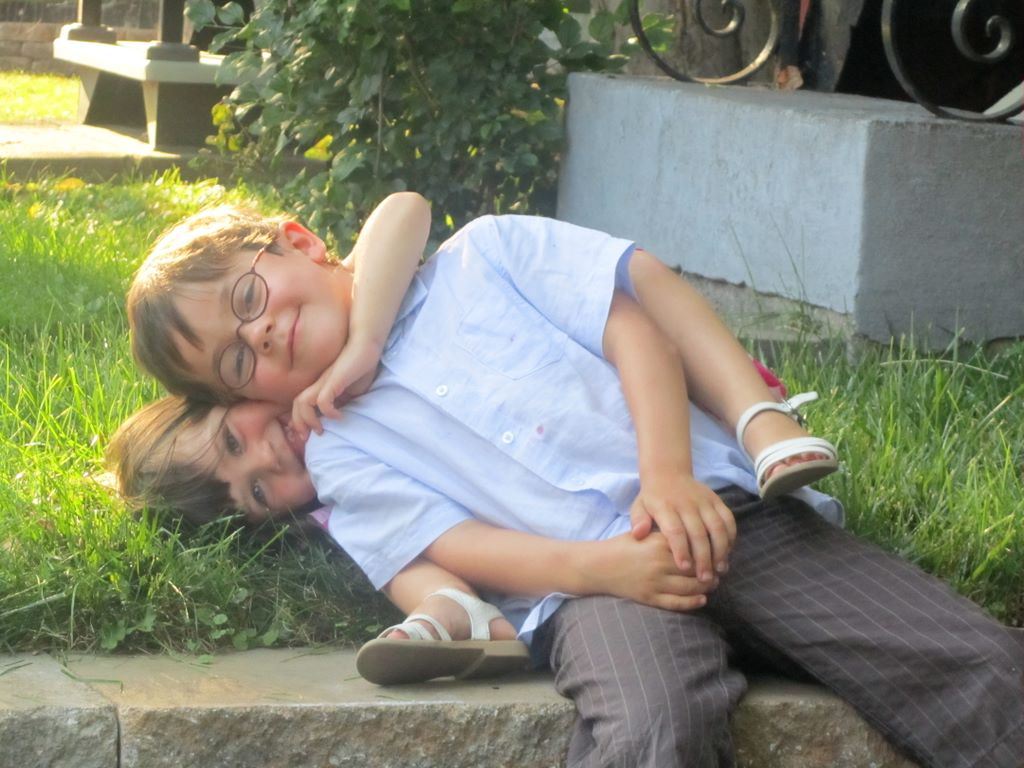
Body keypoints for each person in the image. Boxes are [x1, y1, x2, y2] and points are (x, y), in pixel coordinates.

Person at [120, 205, 1023, 767]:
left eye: (249, 300)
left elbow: (635, 333)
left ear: (299, 242)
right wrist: (603, 571)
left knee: (967, 661)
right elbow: (455, 545)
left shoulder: (485, 257)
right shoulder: (341, 451)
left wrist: (667, 475)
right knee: (649, 725)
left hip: (723, 512)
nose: (261, 336)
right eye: (236, 362)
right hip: (592, 594)